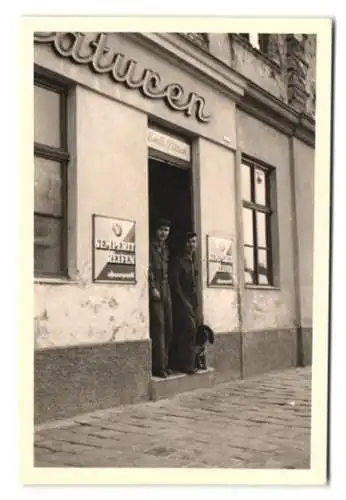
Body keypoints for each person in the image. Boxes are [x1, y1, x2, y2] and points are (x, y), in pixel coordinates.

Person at [170, 232, 199, 374]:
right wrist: (184, 303)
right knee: (186, 330)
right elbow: (175, 285)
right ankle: (183, 364)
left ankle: (190, 363)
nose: (191, 245)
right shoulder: (178, 261)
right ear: (184, 244)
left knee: (190, 332)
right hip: (180, 302)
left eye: (194, 242)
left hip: (191, 301)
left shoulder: (192, 261)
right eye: (189, 242)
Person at [148, 219, 174, 378]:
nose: (163, 233)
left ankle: (165, 363)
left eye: (166, 230)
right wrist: (152, 287)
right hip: (156, 286)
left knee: (169, 327)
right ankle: (158, 367)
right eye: (161, 230)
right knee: (159, 327)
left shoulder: (166, 249)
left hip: (166, 287)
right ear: (156, 231)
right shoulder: (150, 247)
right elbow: (149, 267)